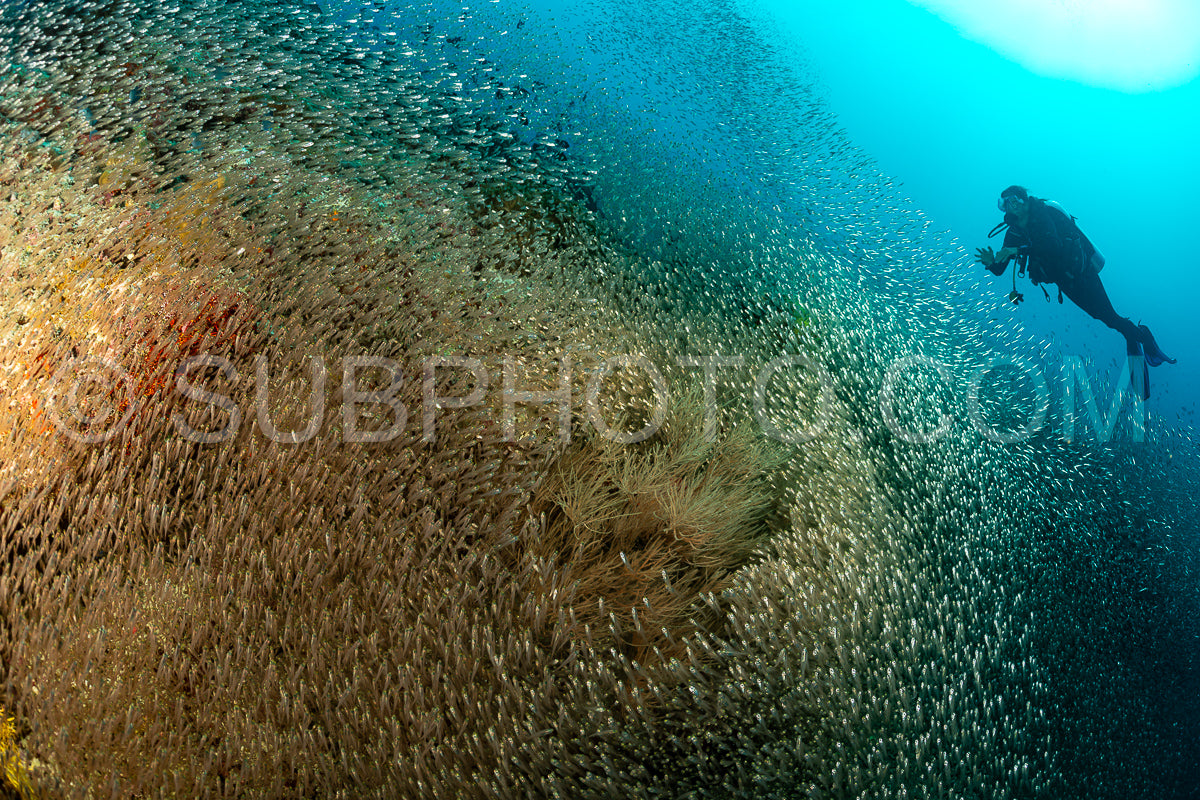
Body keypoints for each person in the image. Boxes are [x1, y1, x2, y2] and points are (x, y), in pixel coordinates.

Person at [976, 185, 1175, 398]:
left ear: (1025, 200)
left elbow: (1053, 246)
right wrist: (991, 263)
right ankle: (1133, 335)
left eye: (1014, 201)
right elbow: (1000, 268)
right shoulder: (1014, 233)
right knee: (1105, 318)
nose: (1010, 207)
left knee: (1109, 316)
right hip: (1064, 282)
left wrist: (1017, 250)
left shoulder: (1042, 215)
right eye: (1005, 204)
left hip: (1082, 272)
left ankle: (1142, 336)